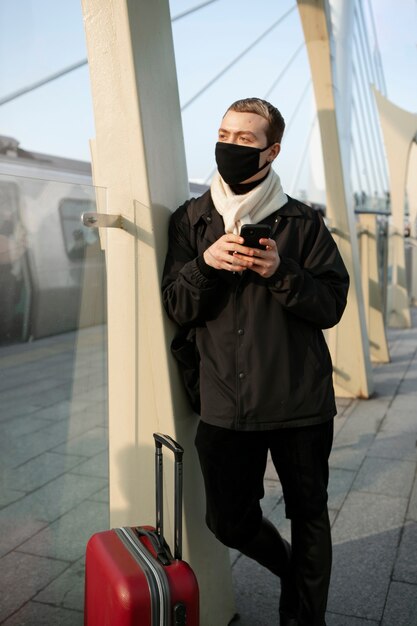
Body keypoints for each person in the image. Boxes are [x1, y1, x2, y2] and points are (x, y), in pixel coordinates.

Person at [162, 98, 349, 626]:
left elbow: (331, 304)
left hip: (300, 403)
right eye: (225, 133)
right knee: (228, 520)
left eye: (245, 139)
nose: (230, 145)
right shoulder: (192, 221)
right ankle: (292, 572)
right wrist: (205, 265)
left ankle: (303, 617)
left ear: (272, 150)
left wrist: (279, 269)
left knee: (310, 515)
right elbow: (176, 304)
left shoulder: (303, 222)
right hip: (224, 403)